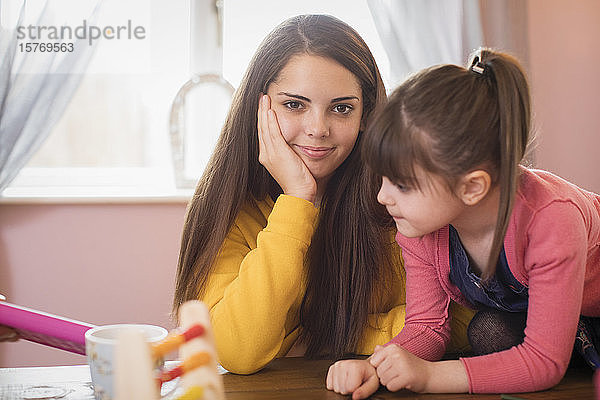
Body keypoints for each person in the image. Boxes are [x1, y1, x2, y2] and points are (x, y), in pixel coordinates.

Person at [172, 14, 473, 375]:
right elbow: (236, 350)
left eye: (342, 108)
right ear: (260, 107)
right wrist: (298, 199)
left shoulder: (401, 200)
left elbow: (462, 321)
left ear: (366, 116)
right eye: (295, 105)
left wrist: (319, 339)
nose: (318, 129)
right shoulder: (230, 208)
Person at [327, 48, 600, 397]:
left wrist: (430, 377)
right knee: (488, 333)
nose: (383, 197)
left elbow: (544, 362)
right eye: (382, 179)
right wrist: (378, 367)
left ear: (472, 187)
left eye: (403, 185)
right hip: (566, 311)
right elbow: (426, 328)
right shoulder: (420, 227)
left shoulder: (551, 219)